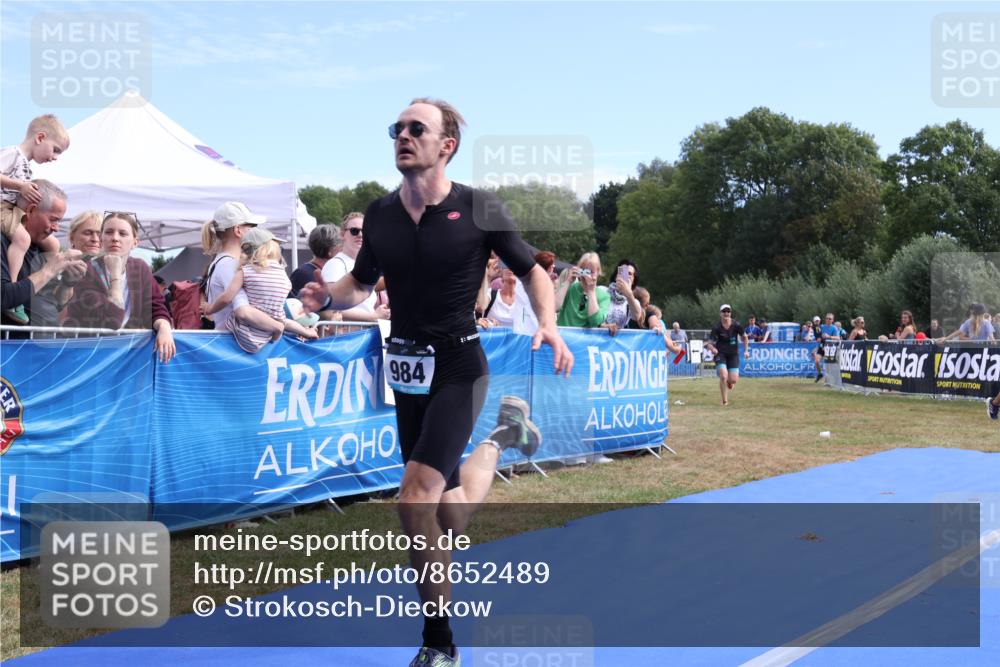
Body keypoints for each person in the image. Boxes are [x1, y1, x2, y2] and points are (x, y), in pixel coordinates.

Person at [299, 98, 572, 667]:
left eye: (415, 128)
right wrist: (331, 297)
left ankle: (439, 642)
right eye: (396, 128)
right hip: (407, 370)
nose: (403, 135)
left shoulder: (478, 208)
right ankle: (503, 438)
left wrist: (547, 323)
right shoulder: (379, 214)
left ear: (446, 145)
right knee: (445, 515)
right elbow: (360, 283)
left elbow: (533, 269)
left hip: (458, 366)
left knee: (412, 497)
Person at [64, 212, 175, 362]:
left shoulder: (140, 267)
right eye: (109, 232)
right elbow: (112, 322)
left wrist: (164, 327)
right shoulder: (86, 270)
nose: (115, 238)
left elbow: (156, 307)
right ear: (102, 239)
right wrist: (116, 278)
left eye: (123, 233)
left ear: (135, 242)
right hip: (91, 355)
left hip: (128, 353)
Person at [1, 115, 69, 324]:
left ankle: (50, 279)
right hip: (3, 207)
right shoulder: (12, 153)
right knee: (22, 239)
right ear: (40, 137)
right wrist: (20, 186)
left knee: (54, 243)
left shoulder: (26, 164)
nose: (55, 157)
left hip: (11, 208)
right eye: (55, 149)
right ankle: (12, 289)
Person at [205, 227, 317, 353]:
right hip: (268, 338)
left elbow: (227, 298)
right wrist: (305, 331)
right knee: (279, 317)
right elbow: (281, 320)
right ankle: (306, 331)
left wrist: (210, 308)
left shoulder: (244, 272)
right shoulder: (283, 275)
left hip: (243, 337)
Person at [0, 180, 86, 331]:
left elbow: (53, 304)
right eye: (53, 219)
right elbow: (3, 297)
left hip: (42, 348)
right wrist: (48, 270)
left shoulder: (42, 247)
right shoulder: (4, 242)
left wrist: (67, 283)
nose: (57, 228)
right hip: (10, 351)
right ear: (31, 210)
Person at [200, 201, 286, 338]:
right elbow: (244, 312)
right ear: (238, 230)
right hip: (235, 345)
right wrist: (280, 326)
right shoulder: (230, 265)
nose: (256, 231)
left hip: (232, 343)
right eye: (252, 226)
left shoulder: (221, 262)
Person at [319, 212, 390, 322]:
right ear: (343, 235)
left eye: (365, 231)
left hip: (363, 334)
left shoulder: (363, 265)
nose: (360, 235)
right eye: (354, 231)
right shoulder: (336, 264)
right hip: (348, 336)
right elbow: (331, 306)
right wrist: (373, 317)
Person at [704, 304, 750, 406]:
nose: (726, 313)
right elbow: (709, 344)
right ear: (720, 313)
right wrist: (713, 349)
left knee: (733, 379)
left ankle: (730, 382)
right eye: (724, 311)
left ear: (730, 313)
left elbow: (745, 337)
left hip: (733, 354)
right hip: (720, 354)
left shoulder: (736, 325)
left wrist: (746, 351)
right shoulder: (716, 327)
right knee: (723, 376)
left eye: (728, 311)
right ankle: (725, 401)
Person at [555, 252, 609, 328]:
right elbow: (554, 307)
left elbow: (595, 321)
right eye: (584, 271)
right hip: (564, 336)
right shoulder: (571, 288)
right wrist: (568, 281)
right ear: (579, 270)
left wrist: (591, 291)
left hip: (585, 339)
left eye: (591, 272)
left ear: (598, 272)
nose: (587, 275)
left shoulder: (604, 296)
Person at [289, 223, 341, 296]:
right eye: (341, 245)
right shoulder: (303, 274)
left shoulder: (331, 271)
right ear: (330, 250)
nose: (343, 250)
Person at [601, 259, 643, 335]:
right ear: (616, 275)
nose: (625, 276)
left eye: (629, 274)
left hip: (616, 342)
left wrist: (629, 294)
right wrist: (603, 326)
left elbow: (636, 316)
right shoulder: (602, 291)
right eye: (622, 272)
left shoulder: (633, 302)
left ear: (633, 280)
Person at [813, 312, 840, 383]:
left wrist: (829, 336)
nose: (828, 320)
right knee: (816, 361)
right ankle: (820, 374)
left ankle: (830, 380)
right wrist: (818, 338)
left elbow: (838, 338)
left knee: (829, 365)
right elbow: (817, 335)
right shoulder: (821, 326)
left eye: (830, 319)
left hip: (830, 348)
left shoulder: (834, 328)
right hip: (822, 347)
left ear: (832, 320)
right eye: (827, 318)